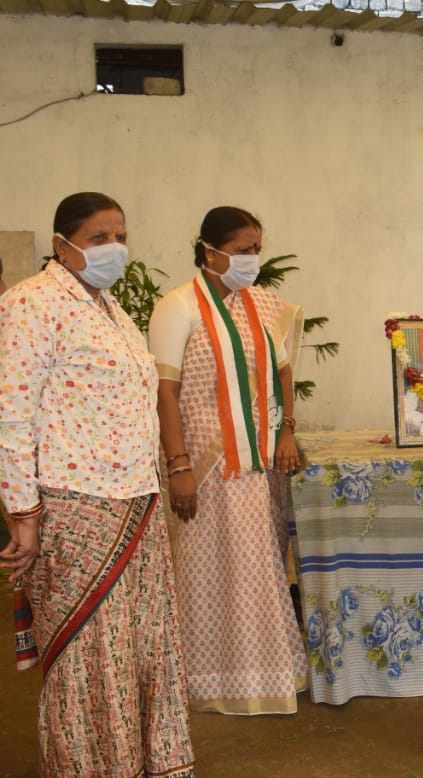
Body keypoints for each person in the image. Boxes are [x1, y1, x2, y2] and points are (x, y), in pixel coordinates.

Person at [0, 191, 197, 778]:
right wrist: (22, 513)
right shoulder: (30, 304)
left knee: (142, 645)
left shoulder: (107, 305)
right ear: (62, 243)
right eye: (99, 235)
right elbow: (10, 414)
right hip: (74, 504)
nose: (114, 246)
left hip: (135, 499)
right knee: (90, 648)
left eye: (120, 233)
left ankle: (147, 771)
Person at [149, 206, 307, 715]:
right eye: (243, 250)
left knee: (259, 568)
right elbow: (165, 393)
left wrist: (286, 433)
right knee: (209, 573)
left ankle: (265, 675)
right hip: (205, 466)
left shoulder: (260, 304)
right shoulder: (178, 307)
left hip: (257, 464)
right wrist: (178, 467)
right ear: (210, 251)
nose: (253, 259)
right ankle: (208, 681)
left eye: (257, 247)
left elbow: (282, 375)